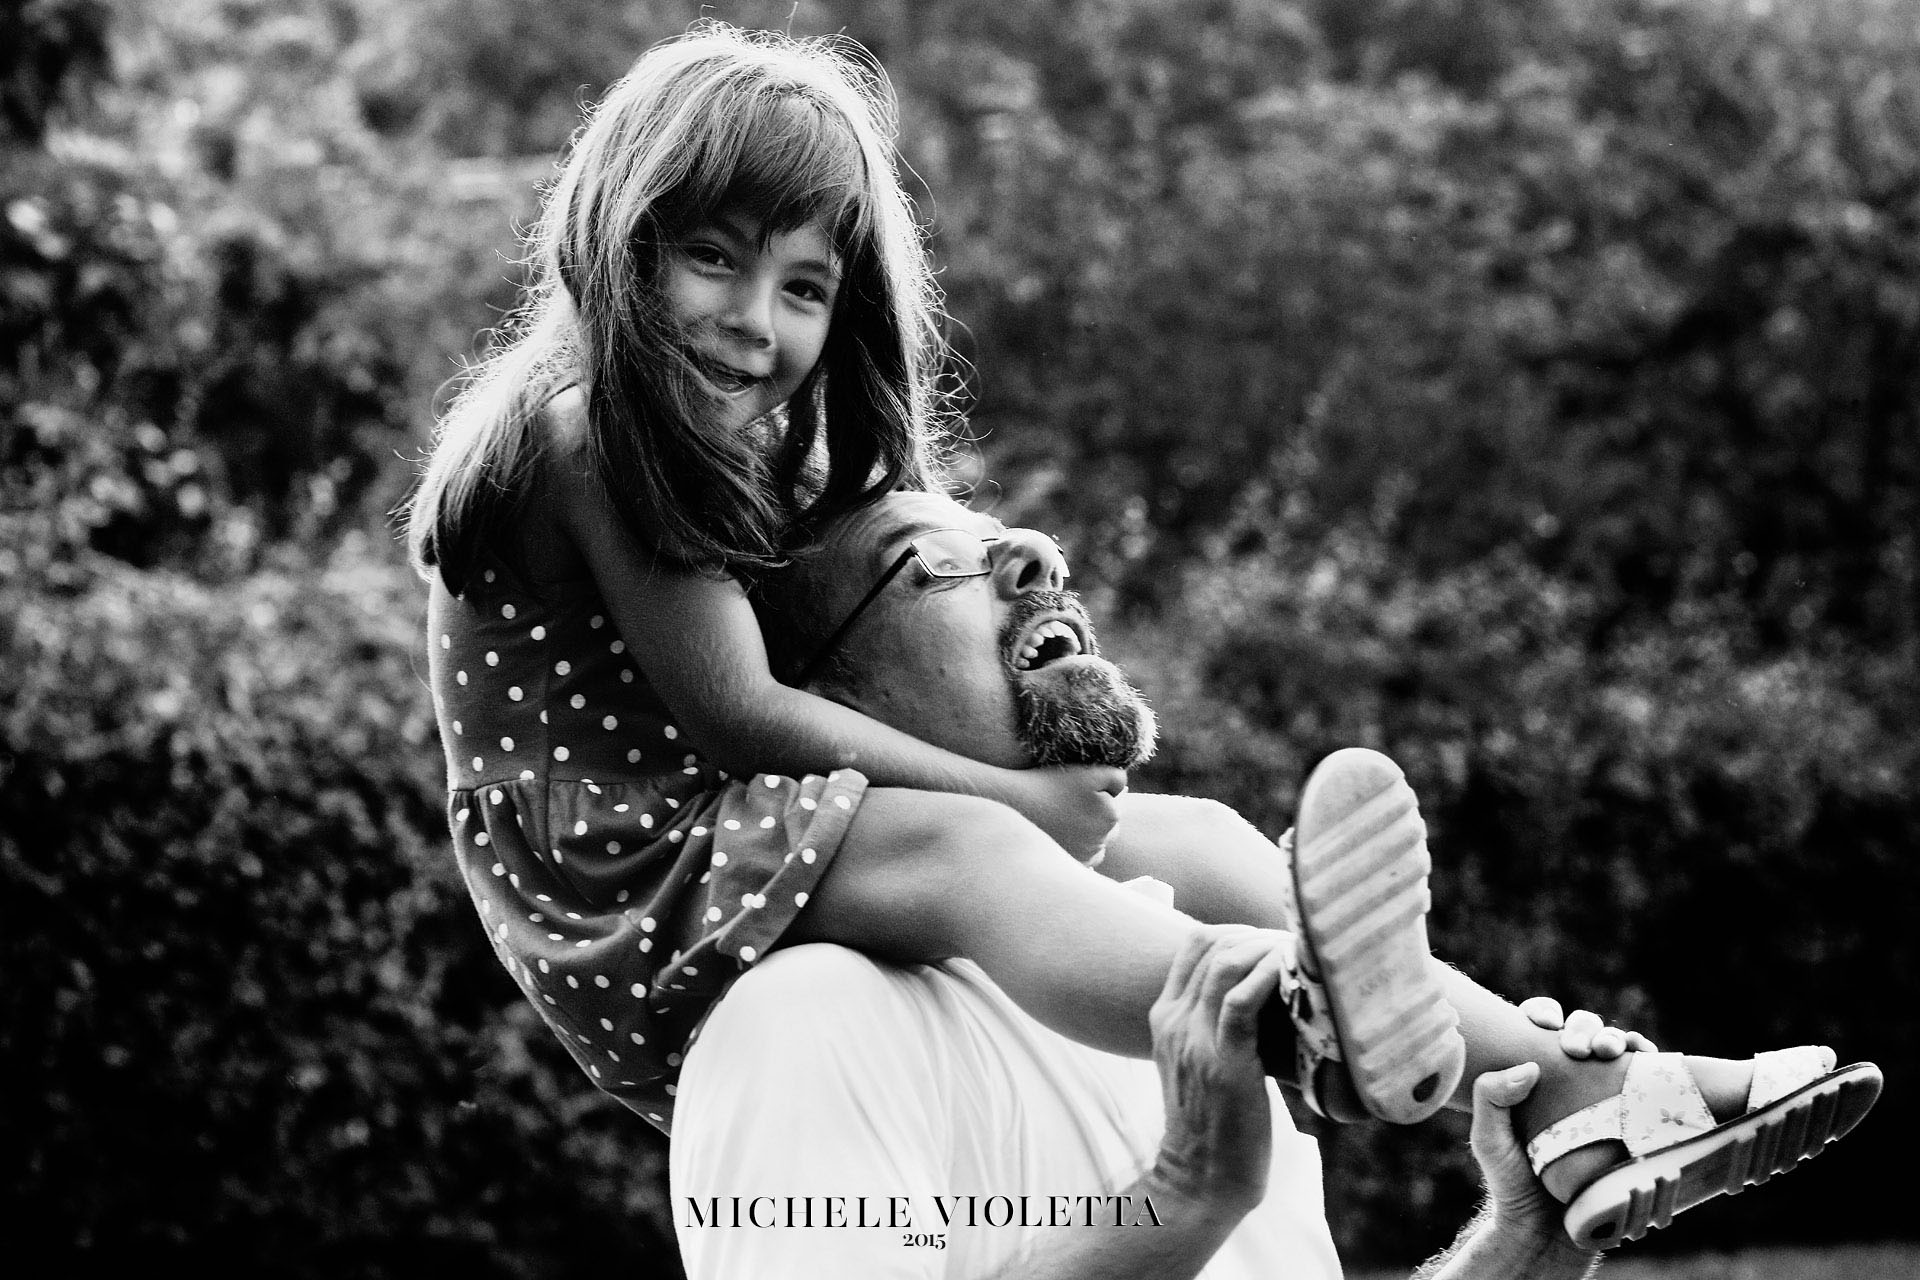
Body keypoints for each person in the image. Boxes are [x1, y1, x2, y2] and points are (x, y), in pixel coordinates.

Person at [403, 19, 1872, 1251]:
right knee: (977, 851)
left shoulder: (714, 436)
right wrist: (1017, 799)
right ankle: (1309, 1031)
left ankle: (1575, 1086)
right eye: (713, 259)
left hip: (731, 835)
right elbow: (739, 715)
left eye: (803, 287)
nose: (753, 320)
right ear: (620, 236)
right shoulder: (588, 432)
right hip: (637, 878)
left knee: (1210, 844)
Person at [719, 489, 1880, 1252]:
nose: (1034, 554)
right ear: (821, 707)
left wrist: (1516, 1245)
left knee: (1213, 841)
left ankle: (1579, 1105)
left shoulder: (1184, 962)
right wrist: (1183, 1197)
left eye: (1001, 533)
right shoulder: (806, 1020)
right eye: (928, 563)